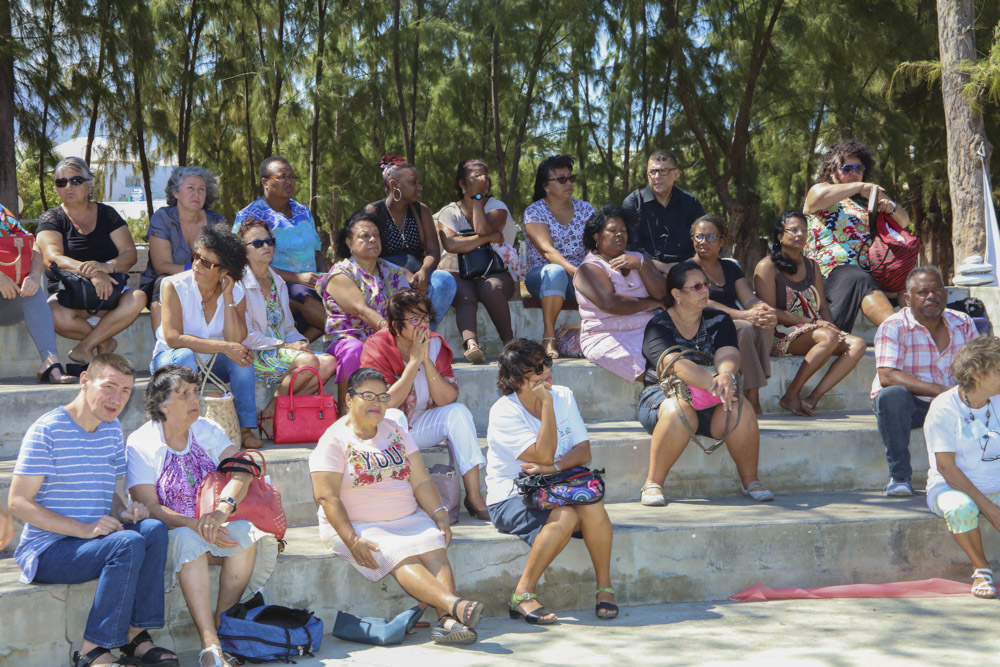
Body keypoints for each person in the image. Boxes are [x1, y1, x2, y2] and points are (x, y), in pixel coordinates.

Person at [7, 354, 178, 667]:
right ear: (85, 381)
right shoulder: (47, 430)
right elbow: (18, 502)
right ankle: (91, 649)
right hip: (49, 549)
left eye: (125, 391)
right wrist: (83, 529)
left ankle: (136, 636)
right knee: (127, 543)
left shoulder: (111, 430)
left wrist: (125, 512)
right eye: (109, 387)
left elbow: (106, 492)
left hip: (93, 542)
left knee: (152, 530)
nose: (117, 399)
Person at [310, 368, 484, 645]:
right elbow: (327, 498)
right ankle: (456, 606)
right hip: (359, 525)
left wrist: (439, 515)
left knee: (433, 545)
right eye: (367, 396)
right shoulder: (333, 440)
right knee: (399, 554)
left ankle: (448, 621)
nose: (376, 403)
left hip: (406, 517)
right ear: (349, 399)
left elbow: (421, 480)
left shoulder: (395, 431)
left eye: (382, 396)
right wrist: (353, 540)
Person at [126, 365, 278, 667]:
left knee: (245, 533)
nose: (194, 399)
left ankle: (223, 628)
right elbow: (149, 506)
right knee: (187, 538)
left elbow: (243, 469)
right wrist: (194, 524)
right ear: (162, 404)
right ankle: (209, 644)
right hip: (172, 534)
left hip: (211, 525)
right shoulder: (141, 443)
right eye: (183, 394)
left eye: (195, 392)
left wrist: (222, 510)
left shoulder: (206, 429)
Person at [486, 339, 617, 624]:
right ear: (517, 379)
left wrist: (552, 467)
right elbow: (541, 452)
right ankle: (522, 593)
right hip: (512, 496)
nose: (546, 370)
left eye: (547, 362)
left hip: (557, 484)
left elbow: (583, 451)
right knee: (567, 514)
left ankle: (604, 588)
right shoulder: (504, 411)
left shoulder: (564, 395)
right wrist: (546, 405)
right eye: (537, 368)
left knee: (592, 503)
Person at [637, 261, 773, 507]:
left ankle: (751, 481)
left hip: (709, 398)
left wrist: (726, 375)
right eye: (696, 286)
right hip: (662, 397)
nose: (705, 291)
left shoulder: (718, 319)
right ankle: (653, 484)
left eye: (706, 285)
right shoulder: (658, 325)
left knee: (741, 410)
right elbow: (675, 363)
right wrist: (715, 383)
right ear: (676, 294)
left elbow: (728, 352)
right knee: (680, 411)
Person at [360, 289, 489, 519]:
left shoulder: (435, 342)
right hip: (384, 428)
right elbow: (381, 405)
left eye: (426, 318)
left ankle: (474, 496)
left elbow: (446, 399)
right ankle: (397, 497)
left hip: (419, 425)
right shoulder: (376, 345)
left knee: (458, 413)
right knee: (395, 416)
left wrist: (426, 360)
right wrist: (412, 364)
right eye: (414, 319)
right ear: (394, 323)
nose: (422, 325)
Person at [151, 224, 262, 449]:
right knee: (184, 356)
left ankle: (245, 428)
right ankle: (185, 427)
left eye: (207, 262)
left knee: (242, 359)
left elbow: (235, 340)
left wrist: (229, 297)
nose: (197, 265)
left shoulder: (236, 291)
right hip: (170, 360)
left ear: (224, 271)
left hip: (212, 362)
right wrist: (223, 347)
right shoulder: (172, 284)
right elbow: (173, 338)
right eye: (196, 256)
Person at [872, 266, 978, 497]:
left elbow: (979, 367)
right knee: (891, 396)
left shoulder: (963, 322)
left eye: (937, 290)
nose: (931, 296)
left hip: (955, 402)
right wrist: (942, 390)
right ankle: (899, 477)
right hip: (914, 404)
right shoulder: (894, 326)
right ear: (908, 299)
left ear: (946, 294)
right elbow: (887, 375)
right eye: (922, 292)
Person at [36, 157, 147, 368]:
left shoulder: (108, 214)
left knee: (138, 297)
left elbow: (129, 253)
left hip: (108, 297)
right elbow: (51, 257)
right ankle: (104, 341)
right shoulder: (51, 218)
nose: (69, 186)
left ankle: (83, 348)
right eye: (62, 182)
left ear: (90, 185)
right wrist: (92, 272)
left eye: (76, 180)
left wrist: (108, 266)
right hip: (68, 298)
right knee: (51, 313)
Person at [753, 212, 867, 416]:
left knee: (857, 344)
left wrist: (832, 326)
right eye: (793, 230)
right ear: (780, 236)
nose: (800, 234)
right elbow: (769, 312)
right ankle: (791, 395)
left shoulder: (812, 265)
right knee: (827, 335)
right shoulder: (766, 266)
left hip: (815, 329)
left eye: (804, 230)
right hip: (781, 332)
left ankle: (813, 398)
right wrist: (813, 323)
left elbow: (822, 305)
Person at [237, 218, 337, 428]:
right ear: (244, 251)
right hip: (253, 353)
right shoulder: (238, 284)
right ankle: (272, 414)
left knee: (329, 363)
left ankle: (272, 411)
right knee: (308, 363)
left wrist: (301, 343)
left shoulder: (278, 282)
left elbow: (289, 328)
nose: (266, 246)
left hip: (281, 351)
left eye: (269, 241)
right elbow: (244, 336)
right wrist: (288, 346)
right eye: (257, 243)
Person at [803, 138, 908, 333]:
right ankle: (900, 332)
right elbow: (818, 198)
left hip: (868, 270)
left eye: (859, 169)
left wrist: (890, 207)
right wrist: (860, 187)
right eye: (847, 168)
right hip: (829, 272)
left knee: (906, 283)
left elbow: (904, 221)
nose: (854, 174)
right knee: (858, 277)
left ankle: (921, 332)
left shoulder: (867, 198)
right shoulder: (820, 190)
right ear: (832, 169)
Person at [923, 336, 1000, 599]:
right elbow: (947, 469)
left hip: (996, 484)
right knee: (960, 508)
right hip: (952, 486)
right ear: (977, 374)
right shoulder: (944, 407)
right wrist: (990, 509)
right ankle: (981, 568)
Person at [317, 211, 409, 408]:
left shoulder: (391, 271)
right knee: (355, 349)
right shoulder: (341, 273)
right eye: (364, 236)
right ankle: (347, 411)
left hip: (385, 336)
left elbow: (407, 308)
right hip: (347, 340)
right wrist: (394, 335)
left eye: (376, 235)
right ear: (349, 243)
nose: (373, 239)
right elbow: (362, 311)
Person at [434, 158, 521, 363]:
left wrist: (478, 198)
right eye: (475, 177)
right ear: (461, 184)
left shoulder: (497, 207)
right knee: (463, 292)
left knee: (491, 288)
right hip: (459, 271)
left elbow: (481, 227)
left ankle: (509, 343)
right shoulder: (450, 212)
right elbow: (451, 245)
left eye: (484, 176)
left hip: (495, 271)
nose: (482, 179)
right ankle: (471, 345)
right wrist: (488, 238)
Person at [688, 214, 776, 414]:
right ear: (692, 239)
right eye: (699, 236)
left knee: (766, 323)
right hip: (703, 324)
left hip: (733, 318)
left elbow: (748, 297)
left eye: (711, 237)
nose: (704, 242)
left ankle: (754, 389)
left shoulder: (730, 266)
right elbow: (704, 302)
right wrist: (744, 316)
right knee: (744, 328)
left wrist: (761, 308)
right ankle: (752, 393)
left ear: (722, 241)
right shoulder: (687, 268)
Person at [232, 157, 326, 341]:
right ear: (265, 182)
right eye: (282, 176)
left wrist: (324, 278)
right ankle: (346, 334)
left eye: (292, 176)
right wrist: (296, 278)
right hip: (275, 285)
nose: (289, 181)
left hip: (312, 281)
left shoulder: (303, 211)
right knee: (303, 296)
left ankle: (295, 346)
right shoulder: (249, 215)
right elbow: (243, 260)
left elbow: (317, 251)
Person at [573, 204, 665, 381]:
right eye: (612, 230)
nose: (619, 234)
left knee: (675, 358)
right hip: (607, 334)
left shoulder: (638, 258)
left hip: (648, 329)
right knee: (658, 373)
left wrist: (640, 265)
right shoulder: (589, 269)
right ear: (597, 236)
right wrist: (649, 303)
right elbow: (611, 303)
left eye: (623, 230)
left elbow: (662, 294)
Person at [365, 154, 456, 331]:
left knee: (444, 280)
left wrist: (424, 271)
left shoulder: (422, 211)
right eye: (414, 182)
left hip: (418, 277)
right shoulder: (374, 211)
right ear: (394, 185)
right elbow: (367, 255)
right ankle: (400, 337)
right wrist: (400, 272)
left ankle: (422, 334)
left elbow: (433, 251)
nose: (420, 188)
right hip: (386, 276)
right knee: (399, 287)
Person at [523, 155, 595, 358]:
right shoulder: (535, 211)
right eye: (562, 179)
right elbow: (547, 251)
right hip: (543, 277)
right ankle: (549, 336)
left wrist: (592, 271)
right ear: (546, 186)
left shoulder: (586, 209)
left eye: (571, 178)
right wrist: (575, 271)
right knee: (556, 271)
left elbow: (596, 247)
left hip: (578, 278)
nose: (569, 183)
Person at [140, 166, 226, 333]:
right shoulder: (163, 217)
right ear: (176, 193)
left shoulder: (216, 221)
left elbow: (221, 260)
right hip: (164, 282)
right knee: (164, 281)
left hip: (205, 281)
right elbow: (162, 266)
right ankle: (164, 350)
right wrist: (196, 270)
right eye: (190, 188)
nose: (196, 194)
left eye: (201, 189)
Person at [0, 204, 76, 383]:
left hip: (6, 300)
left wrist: (34, 276)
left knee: (32, 293)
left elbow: (32, 245)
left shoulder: (1, 212)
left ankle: (51, 363)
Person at [622, 149, 706, 274]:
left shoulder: (690, 203)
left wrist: (684, 266)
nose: (657, 177)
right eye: (652, 172)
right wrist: (662, 267)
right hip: (644, 270)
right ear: (647, 174)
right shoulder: (633, 203)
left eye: (663, 171)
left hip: (687, 269)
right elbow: (630, 248)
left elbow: (701, 241)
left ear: (676, 174)